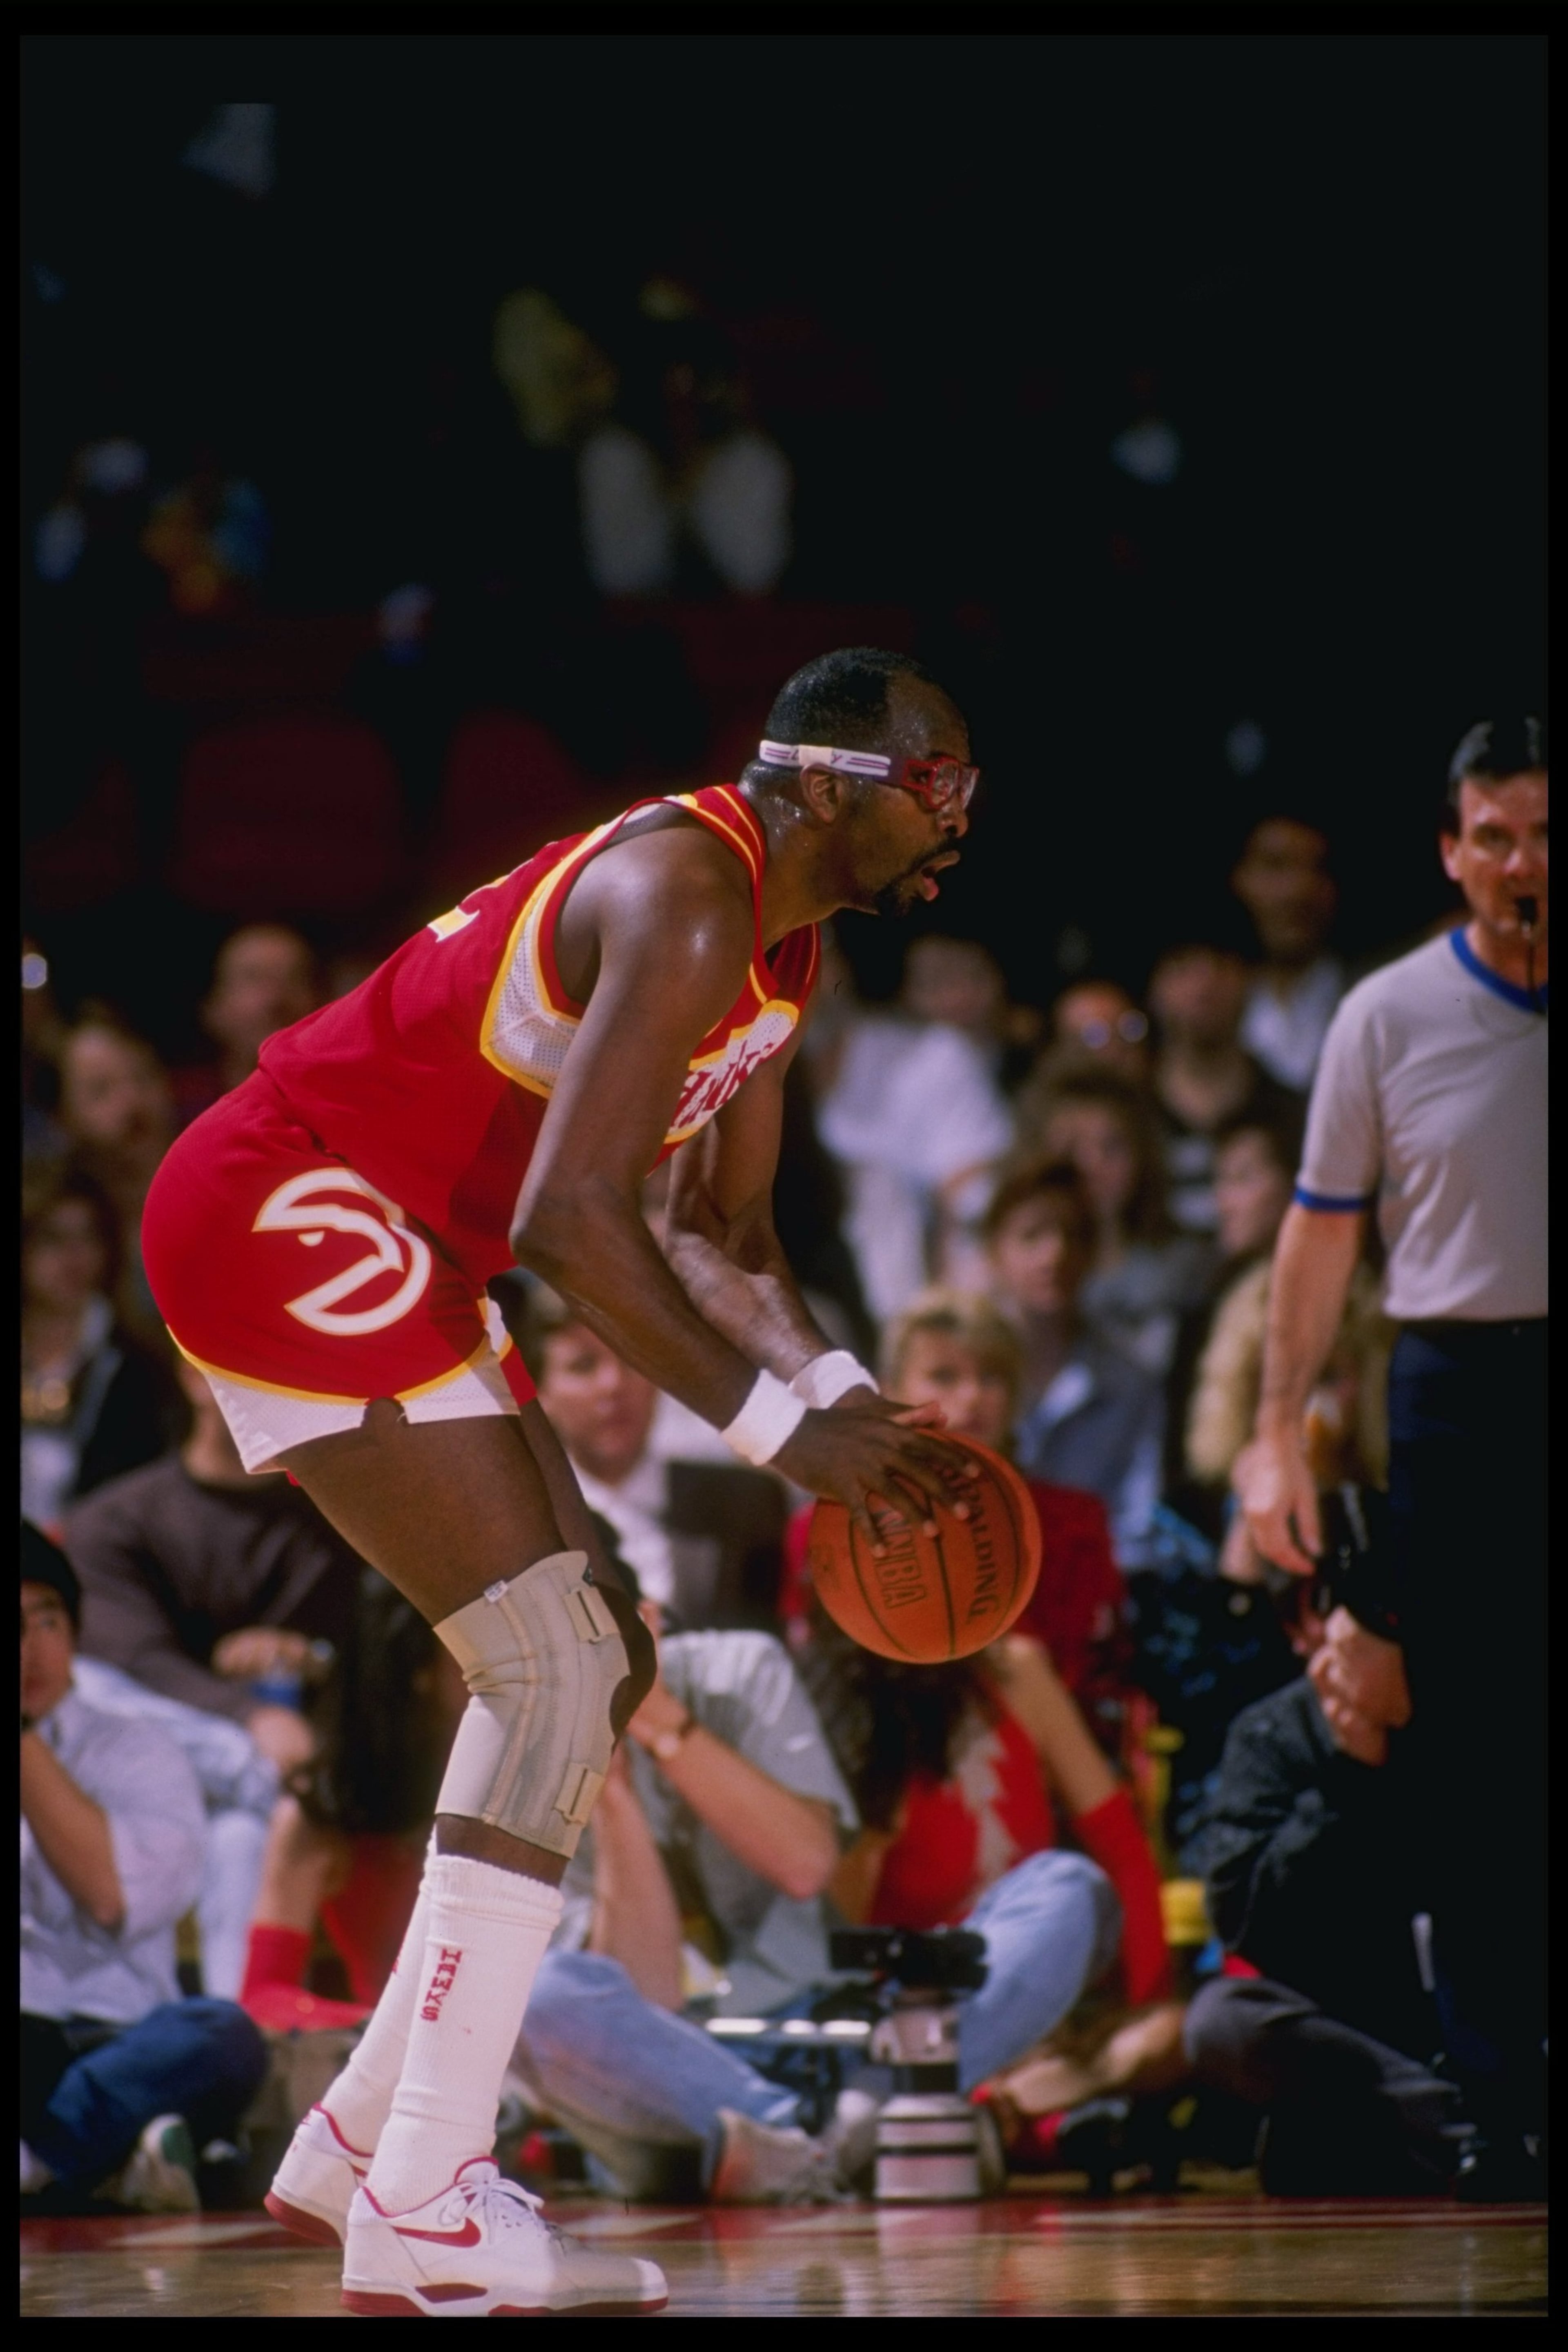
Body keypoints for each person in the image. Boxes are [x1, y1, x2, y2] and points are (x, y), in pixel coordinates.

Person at [138, 644, 978, 2316]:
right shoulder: (684, 890)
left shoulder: (784, 949)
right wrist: (775, 1437)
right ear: (826, 784)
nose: (961, 813)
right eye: (935, 781)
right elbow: (575, 1223)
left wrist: (849, 1407)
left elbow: (723, 1234)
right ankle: (432, 2189)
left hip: (407, 1243)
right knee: (552, 1664)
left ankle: (366, 2137)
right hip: (289, 1198)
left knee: (609, 1652)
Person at [1236, 716, 1547, 2194]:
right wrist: (1273, 1434)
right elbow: (1317, 1235)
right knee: (1472, 1750)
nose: (1523, 863)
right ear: (1450, 851)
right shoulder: (1388, 1014)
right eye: (1495, 836)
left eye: (1544, 834)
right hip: (1457, 1387)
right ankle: (1498, 2100)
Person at [514, 1589, 869, 2203]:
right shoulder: (531, 1749)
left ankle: (798, 2148)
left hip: (820, 2027)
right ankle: (820, 2142)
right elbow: (646, 1994)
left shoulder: (743, 1668)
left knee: (1051, 1892)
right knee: (541, 1997)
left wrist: (660, 1721)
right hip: (672, 2071)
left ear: (646, 1620)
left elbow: (806, 1866)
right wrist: (612, 1790)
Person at [1185, 1601, 1476, 2197]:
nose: (1353, 1634)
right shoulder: (1272, 1733)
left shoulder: (1486, 1701)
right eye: (1331, 1613)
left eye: (1376, 1616)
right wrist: (1351, 1777)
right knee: (1223, 2021)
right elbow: (1248, 1921)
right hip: (1367, 2042)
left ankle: (1430, 2137)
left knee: (1313, 2145)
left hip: (1495, 2016)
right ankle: (1469, 2135)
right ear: (1300, 1633)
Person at [22, 1524, 268, 2213]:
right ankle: (110, 2163)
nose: (30, 1649)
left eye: (47, 1621)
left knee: (219, 2035)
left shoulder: (139, 1750)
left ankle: (42, 2162)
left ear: (75, 1630)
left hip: (118, 2037)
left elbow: (112, 1900)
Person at [66, 1356, 359, 1777]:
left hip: (321, 1765)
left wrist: (312, 1656)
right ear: (194, 1377)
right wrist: (250, 1715)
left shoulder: (344, 1522)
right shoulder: (114, 1523)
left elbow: (375, 1644)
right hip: (158, 1764)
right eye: (253, 1371)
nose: (274, 1392)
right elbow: (129, 1657)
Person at [526, 1287, 788, 1628]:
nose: (613, 1384)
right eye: (584, 1366)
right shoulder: (532, 1531)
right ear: (540, 1394)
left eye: (631, 1360)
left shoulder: (747, 1503)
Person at [811, 933, 1015, 1322]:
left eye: (813, 953)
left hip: (910, 1306)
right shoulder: (729, 1079)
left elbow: (976, 1197)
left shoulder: (936, 1057)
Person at [985, 1157, 1165, 1571]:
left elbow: (1137, 1524)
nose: (1055, 1254)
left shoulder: (1129, 1380)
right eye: (1031, 1236)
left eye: (1073, 1235)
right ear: (994, 1251)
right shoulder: (965, 1375)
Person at [1022, 1064, 1214, 1377]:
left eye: (1111, 1147)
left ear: (1142, 1156)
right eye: (1071, 1149)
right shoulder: (1018, 1272)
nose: (1092, 1164)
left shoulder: (1187, 1269)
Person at [22, 1162, 181, 1535]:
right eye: (53, 1238)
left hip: (96, 1552)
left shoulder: (141, 1363)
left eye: (90, 1236)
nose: (74, 1256)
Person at [1147, 938, 1297, 1235]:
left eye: (1221, 965)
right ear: (1155, 988)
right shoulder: (1130, 1116)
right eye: (1183, 967)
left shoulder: (1292, 1114)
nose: (1204, 986)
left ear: (1251, 980)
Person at [56, 1016, 176, 1337]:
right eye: (101, 1091)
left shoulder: (225, 1194)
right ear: (65, 1117)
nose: (132, 1102)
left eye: (142, 1077)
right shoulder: (59, 1233)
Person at [1232, 815, 1344, 1094]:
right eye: (1275, 866)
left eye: (1315, 869)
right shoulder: (1220, 1002)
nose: (1297, 891)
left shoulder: (1369, 996)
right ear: (1240, 879)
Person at [171, 924, 322, 1130]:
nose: (276, 1000)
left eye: (294, 979)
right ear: (213, 1007)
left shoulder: (344, 1104)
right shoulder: (177, 1108)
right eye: (254, 979)